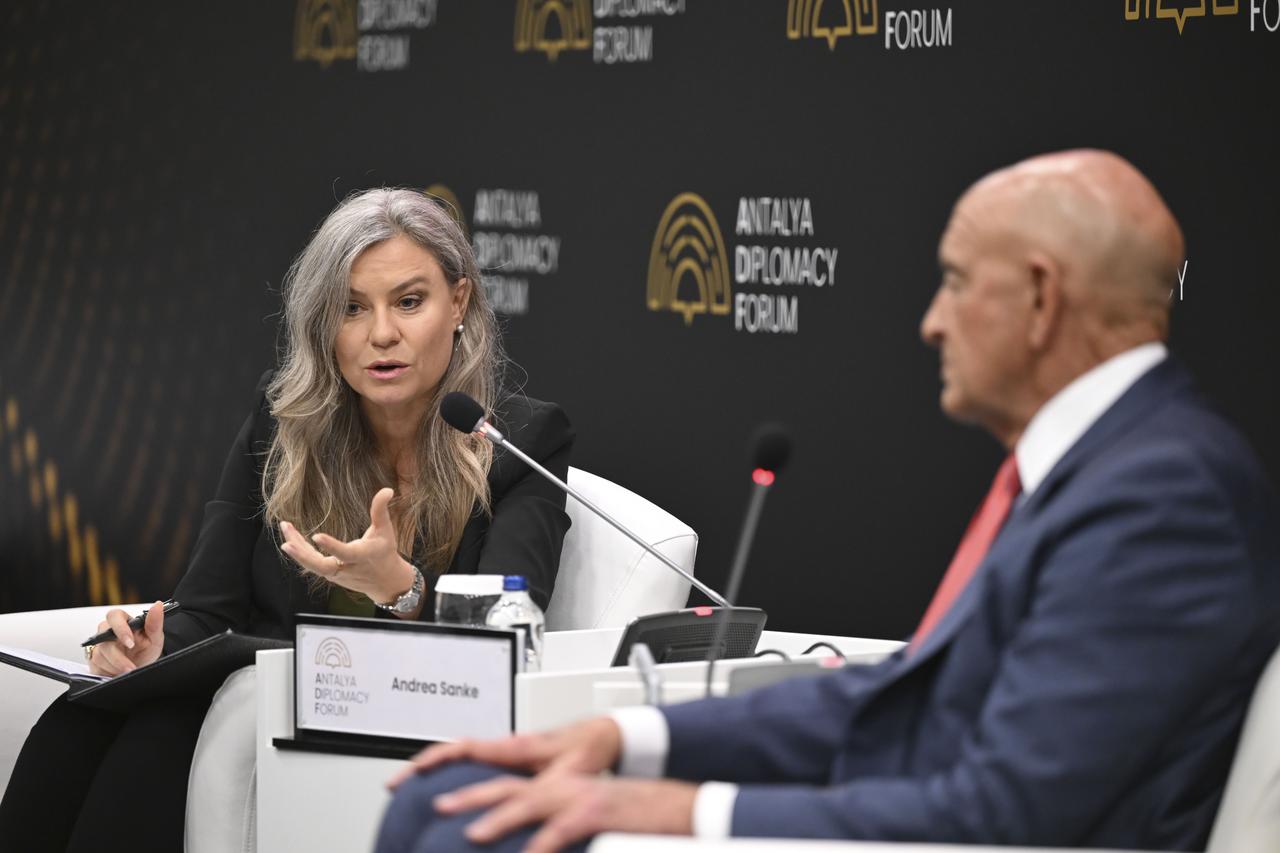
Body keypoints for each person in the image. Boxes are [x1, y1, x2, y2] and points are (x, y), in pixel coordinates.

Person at [375, 150, 1280, 853]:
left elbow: (1012, 811)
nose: (931, 319)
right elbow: (902, 702)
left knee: (464, 822)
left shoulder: (1163, 497)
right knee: (444, 795)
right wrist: (620, 737)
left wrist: (671, 806)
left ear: (1041, 298)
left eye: (958, 282)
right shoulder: (1107, 466)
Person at [0, 188, 575, 852]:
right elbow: (209, 609)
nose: (380, 334)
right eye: (351, 308)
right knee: (77, 721)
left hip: (398, 729)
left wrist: (401, 591)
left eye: (408, 302)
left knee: (156, 739)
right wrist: (148, 645)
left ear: (460, 303)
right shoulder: (283, 425)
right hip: (261, 700)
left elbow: (508, 635)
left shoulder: (521, 439)